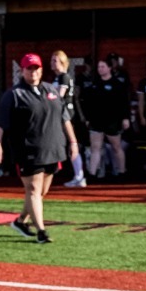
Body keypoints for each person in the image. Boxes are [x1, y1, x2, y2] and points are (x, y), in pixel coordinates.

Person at [0, 52, 76, 243]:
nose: (33, 72)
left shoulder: (51, 90)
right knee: (32, 190)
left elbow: (65, 118)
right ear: (22, 70)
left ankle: (21, 221)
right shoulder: (14, 94)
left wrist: (73, 142)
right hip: (28, 150)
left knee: (41, 192)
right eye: (29, 68)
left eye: (36, 68)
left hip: (53, 148)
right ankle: (41, 231)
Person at [81, 57, 131, 179]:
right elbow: (88, 103)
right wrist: (88, 118)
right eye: (98, 67)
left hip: (112, 121)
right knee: (95, 148)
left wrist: (125, 118)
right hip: (97, 121)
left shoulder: (118, 84)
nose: (100, 69)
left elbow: (124, 102)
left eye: (103, 66)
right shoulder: (94, 84)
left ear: (109, 68)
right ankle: (92, 174)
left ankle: (122, 172)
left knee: (116, 147)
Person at [50, 50, 89, 188]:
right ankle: (76, 175)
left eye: (55, 60)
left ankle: (79, 176)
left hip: (67, 115)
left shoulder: (64, 77)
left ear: (62, 62)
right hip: (63, 114)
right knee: (66, 145)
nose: (52, 63)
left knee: (72, 145)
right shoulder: (58, 78)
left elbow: (59, 97)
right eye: (52, 60)